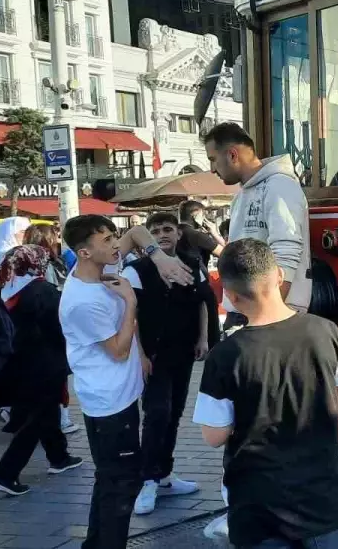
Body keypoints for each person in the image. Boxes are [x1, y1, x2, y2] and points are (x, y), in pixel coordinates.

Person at [192, 239, 338, 549]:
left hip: (259, 509)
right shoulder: (326, 331)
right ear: (279, 275)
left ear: (230, 295)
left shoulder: (225, 355)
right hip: (323, 499)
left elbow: (213, 436)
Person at [59, 215, 192, 549]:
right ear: (84, 253)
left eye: (112, 236)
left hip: (117, 396)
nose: (115, 244)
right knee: (120, 486)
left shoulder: (103, 273)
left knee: (111, 480)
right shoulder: (82, 301)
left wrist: (157, 256)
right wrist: (131, 302)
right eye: (106, 240)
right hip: (109, 404)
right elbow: (118, 350)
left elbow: (135, 232)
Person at [124, 212, 209, 515]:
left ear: (178, 233)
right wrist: (141, 355)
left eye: (168, 229)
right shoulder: (136, 270)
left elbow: (201, 302)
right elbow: (130, 317)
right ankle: (148, 479)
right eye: (156, 230)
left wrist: (202, 338)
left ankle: (165, 475)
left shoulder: (192, 264)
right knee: (157, 413)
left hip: (183, 353)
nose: (163, 234)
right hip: (154, 356)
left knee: (174, 414)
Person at [0, 245, 83, 496]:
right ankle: (5, 474)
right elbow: (58, 329)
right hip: (44, 363)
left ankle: (59, 457)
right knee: (37, 418)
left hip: (17, 363)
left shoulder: (5, 287)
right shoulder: (42, 290)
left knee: (47, 411)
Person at [203, 122, 311, 318]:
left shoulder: (280, 185)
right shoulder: (241, 195)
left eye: (213, 159)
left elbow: (286, 252)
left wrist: (267, 318)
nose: (212, 169)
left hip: (268, 316)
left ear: (232, 155)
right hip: (246, 312)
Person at [22, 223, 78, 435]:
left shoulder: (21, 264)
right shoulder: (45, 266)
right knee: (56, 379)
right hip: (50, 329)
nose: (58, 242)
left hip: (32, 332)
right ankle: (59, 421)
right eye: (55, 237)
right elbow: (53, 296)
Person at [179, 202, 223, 349]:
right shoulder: (198, 235)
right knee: (211, 333)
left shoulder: (174, 232)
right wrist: (215, 233)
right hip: (200, 283)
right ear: (196, 215)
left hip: (177, 283)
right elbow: (227, 254)